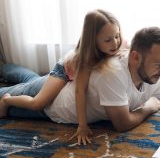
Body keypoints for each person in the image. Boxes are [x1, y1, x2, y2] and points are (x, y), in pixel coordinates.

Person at [0, 26, 160, 141]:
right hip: (51, 107)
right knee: (10, 95)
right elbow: (122, 124)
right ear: (135, 57)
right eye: (159, 64)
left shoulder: (152, 74)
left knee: (30, 79)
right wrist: (149, 107)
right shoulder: (114, 74)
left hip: (57, 84)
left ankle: (7, 66)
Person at [0, 9, 124, 145]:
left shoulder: (114, 44)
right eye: (108, 40)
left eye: (117, 36)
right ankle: (7, 100)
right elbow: (80, 91)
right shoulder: (86, 59)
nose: (115, 43)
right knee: (38, 103)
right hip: (63, 72)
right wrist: (82, 125)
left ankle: (13, 70)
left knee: (33, 81)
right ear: (93, 40)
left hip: (69, 69)